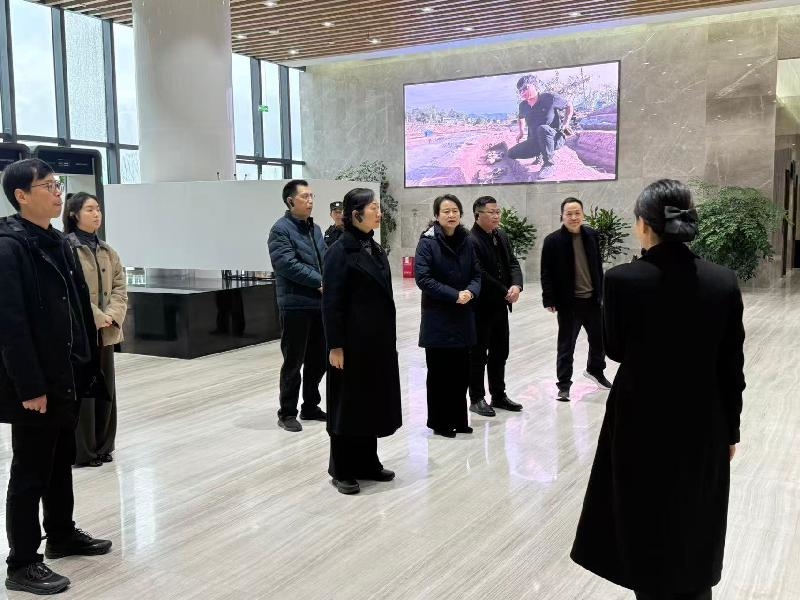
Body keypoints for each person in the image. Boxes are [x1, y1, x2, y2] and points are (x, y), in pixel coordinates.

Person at [571, 179, 746, 600]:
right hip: (704, 420)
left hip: (640, 418)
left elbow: (615, 349)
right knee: (694, 516)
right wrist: (731, 431)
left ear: (644, 225)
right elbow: (731, 367)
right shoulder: (722, 281)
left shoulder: (622, 280)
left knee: (644, 516)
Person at [0, 159, 112, 595]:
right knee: (30, 471)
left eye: (57, 184)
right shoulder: (10, 247)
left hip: (68, 373)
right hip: (36, 383)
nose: (57, 192)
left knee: (60, 460)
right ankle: (22, 562)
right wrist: (30, 387)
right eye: (47, 186)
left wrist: (87, 363)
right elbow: (10, 325)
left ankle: (61, 533)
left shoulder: (57, 242)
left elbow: (76, 307)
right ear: (21, 195)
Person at [322, 188, 402, 495]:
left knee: (370, 402)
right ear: (355, 214)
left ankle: (368, 462)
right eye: (373, 208)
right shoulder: (339, 251)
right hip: (351, 344)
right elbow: (331, 303)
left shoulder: (374, 247)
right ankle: (342, 469)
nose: (379, 213)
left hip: (376, 343)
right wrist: (335, 345)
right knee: (347, 405)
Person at [63, 192, 128, 467]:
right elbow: (70, 290)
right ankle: (84, 451)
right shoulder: (66, 248)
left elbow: (120, 287)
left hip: (107, 332)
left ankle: (103, 446)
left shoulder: (108, 250)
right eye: (90, 209)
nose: (96, 214)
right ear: (74, 214)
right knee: (85, 392)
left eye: (98, 209)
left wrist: (111, 316)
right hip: (81, 333)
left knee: (106, 390)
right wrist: (97, 317)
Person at [415, 194, 481, 437]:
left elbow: (477, 273)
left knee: (461, 373)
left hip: (463, 315)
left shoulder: (468, 240)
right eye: (446, 211)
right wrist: (454, 295)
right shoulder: (427, 242)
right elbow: (423, 279)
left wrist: (471, 292)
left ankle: (459, 420)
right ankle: (440, 422)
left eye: (455, 210)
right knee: (440, 374)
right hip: (438, 317)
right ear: (436, 215)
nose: (451, 215)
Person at [268, 179, 327, 432]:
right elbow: (286, 264)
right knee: (293, 361)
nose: (310, 201)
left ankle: (310, 406)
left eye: (312, 196)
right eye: (305, 197)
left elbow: (325, 259)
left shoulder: (315, 229)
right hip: (294, 305)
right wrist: (319, 281)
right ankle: (287, 412)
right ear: (291, 201)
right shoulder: (280, 230)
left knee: (318, 359)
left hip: (319, 304)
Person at [541, 197, 612, 401]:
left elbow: (597, 266)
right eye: (569, 214)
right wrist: (549, 299)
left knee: (599, 340)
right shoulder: (552, 241)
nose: (573, 217)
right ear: (562, 216)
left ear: (583, 214)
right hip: (568, 303)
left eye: (577, 213)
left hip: (593, 300)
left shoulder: (591, 235)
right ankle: (564, 385)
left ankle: (595, 370)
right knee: (566, 345)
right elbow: (546, 272)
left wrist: (602, 293)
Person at [468, 196, 523, 417]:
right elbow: (479, 273)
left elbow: (513, 262)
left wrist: (516, 285)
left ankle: (498, 395)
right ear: (477, 215)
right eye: (491, 212)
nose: (496, 216)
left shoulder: (501, 235)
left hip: (501, 306)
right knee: (478, 354)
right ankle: (476, 398)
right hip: (480, 307)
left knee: (500, 352)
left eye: (498, 212)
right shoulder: (471, 240)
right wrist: (504, 290)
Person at [507, 75, 574, 180]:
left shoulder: (550, 98)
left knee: (542, 128)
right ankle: (540, 153)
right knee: (511, 153)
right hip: (536, 141)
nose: (522, 92)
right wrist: (521, 132)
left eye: (525, 88)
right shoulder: (523, 106)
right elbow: (521, 118)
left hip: (554, 138)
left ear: (534, 86)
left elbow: (569, 105)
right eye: (520, 90)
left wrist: (566, 124)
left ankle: (549, 164)